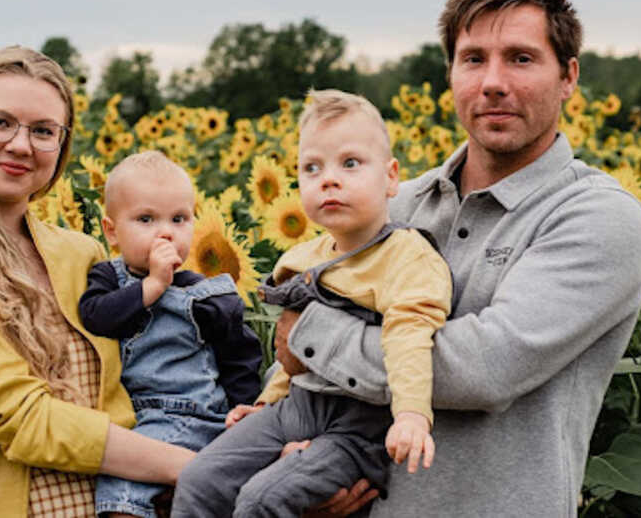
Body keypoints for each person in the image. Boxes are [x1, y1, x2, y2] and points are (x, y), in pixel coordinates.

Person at [274, 0, 641, 517]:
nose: (493, 81)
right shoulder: (396, 203)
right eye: (474, 59)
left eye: (521, 58)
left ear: (568, 77)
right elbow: (293, 357)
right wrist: (297, 456)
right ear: (451, 73)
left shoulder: (597, 217)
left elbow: (484, 368)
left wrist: (309, 335)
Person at [0, 46, 199, 517]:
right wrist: (201, 468)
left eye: (43, 131)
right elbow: (22, 419)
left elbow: (154, 373)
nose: (22, 145)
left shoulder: (81, 253)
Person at [172, 89, 452, 518]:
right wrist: (267, 401)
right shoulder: (301, 258)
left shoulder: (408, 257)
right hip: (294, 408)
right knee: (198, 481)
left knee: (262, 501)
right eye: (312, 168)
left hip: (358, 427)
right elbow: (291, 357)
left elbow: (409, 339)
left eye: (350, 164)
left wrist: (412, 415)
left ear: (392, 177)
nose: (329, 179)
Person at [78, 150, 263, 517]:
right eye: (146, 219)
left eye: (179, 219)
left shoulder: (207, 295)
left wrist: (246, 409)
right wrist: (150, 287)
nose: (166, 232)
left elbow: (239, 355)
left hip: (190, 414)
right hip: (135, 418)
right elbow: (96, 316)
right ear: (111, 231)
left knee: (122, 490)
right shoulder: (107, 278)